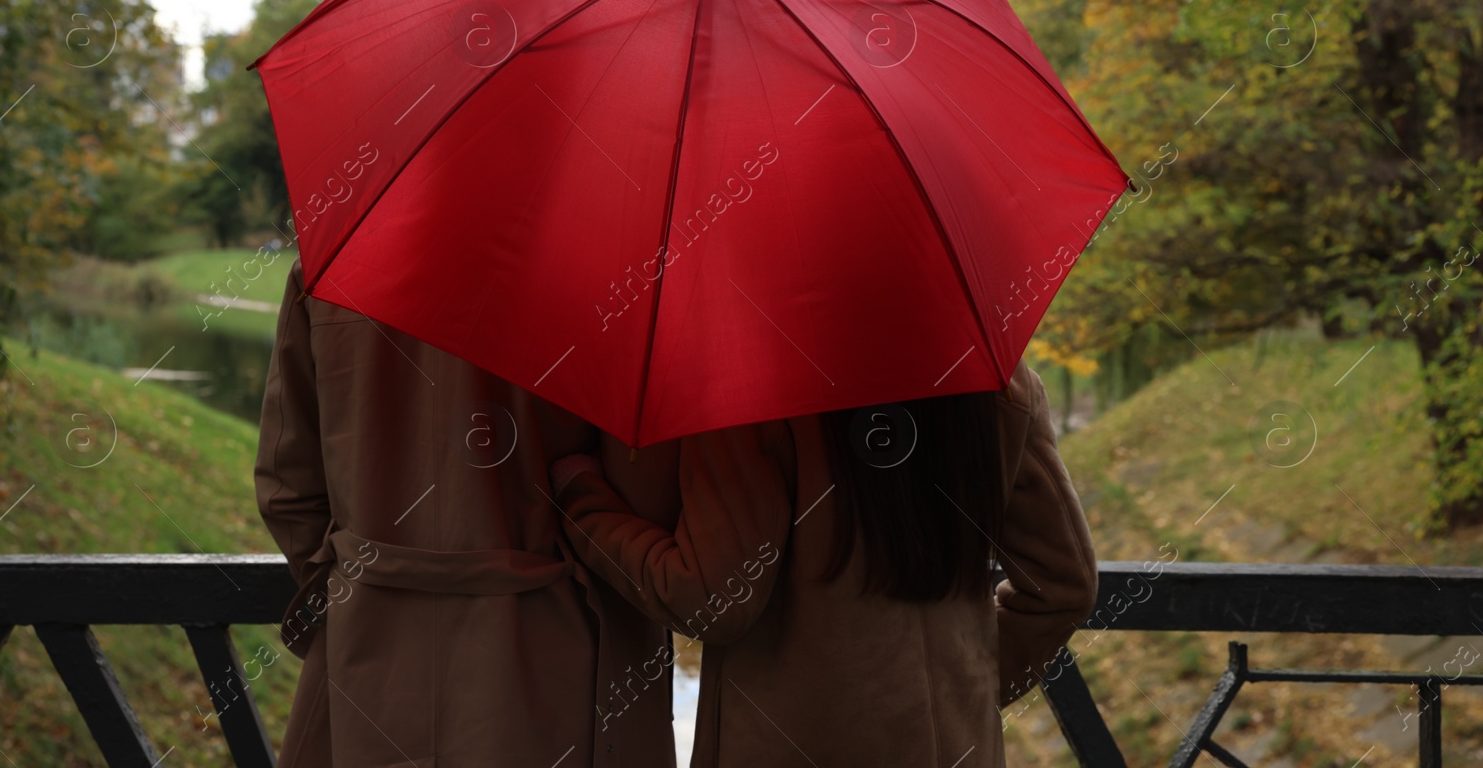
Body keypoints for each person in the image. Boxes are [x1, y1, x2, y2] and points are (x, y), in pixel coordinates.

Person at [550, 360, 1096, 767]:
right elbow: (1064, 585)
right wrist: (963, 689)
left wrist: (585, 506)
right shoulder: (996, 378)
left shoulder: (751, 389)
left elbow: (715, 600)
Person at [255, 258, 681, 767]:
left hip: (367, 665)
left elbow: (286, 488)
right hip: (556, 666)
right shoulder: (612, 273)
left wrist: (369, 586)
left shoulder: (332, 267)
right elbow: (646, 507)